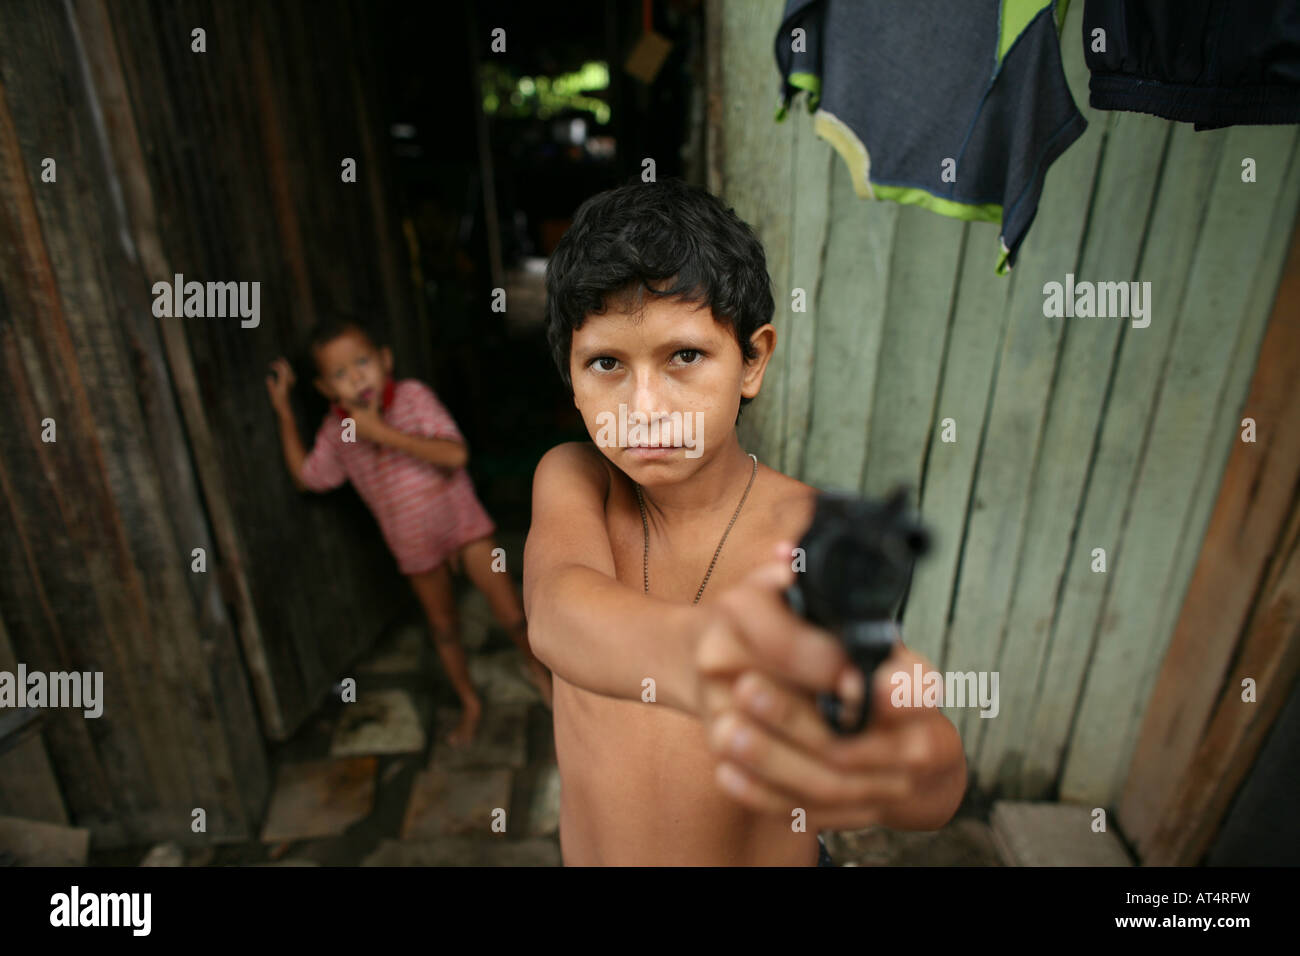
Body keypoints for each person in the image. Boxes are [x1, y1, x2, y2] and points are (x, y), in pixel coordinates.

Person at [523, 179, 966, 865]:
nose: (644, 407)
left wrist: (904, 759)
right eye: (607, 363)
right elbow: (556, 611)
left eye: (685, 357)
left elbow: (931, 781)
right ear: (572, 379)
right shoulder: (574, 479)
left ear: (753, 360)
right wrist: (711, 657)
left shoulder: (810, 535)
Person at [265, 316, 552, 748]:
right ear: (326, 390)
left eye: (362, 362)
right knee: (443, 628)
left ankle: (538, 671)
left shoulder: (413, 399)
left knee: (512, 612)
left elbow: (455, 454)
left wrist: (383, 433)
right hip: (415, 547)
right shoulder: (337, 432)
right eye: (340, 374)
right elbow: (307, 478)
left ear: (385, 360)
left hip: (465, 526)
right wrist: (284, 410)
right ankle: (469, 702)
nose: (357, 377)